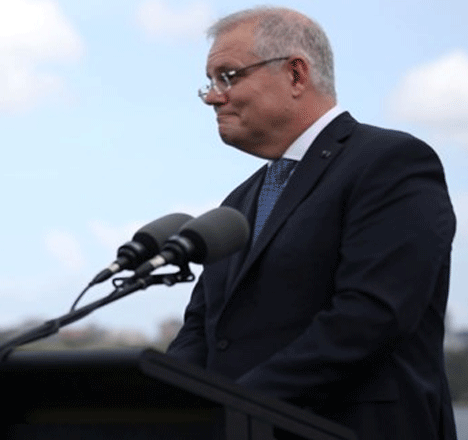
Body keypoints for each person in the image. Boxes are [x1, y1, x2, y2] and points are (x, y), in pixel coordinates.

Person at [166, 6, 457, 439]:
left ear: (296, 74)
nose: (212, 96)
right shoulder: (237, 204)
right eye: (209, 83)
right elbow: (202, 330)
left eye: (227, 76)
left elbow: (370, 317)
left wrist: (237, 405)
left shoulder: (390, 163)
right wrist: (163, 404)